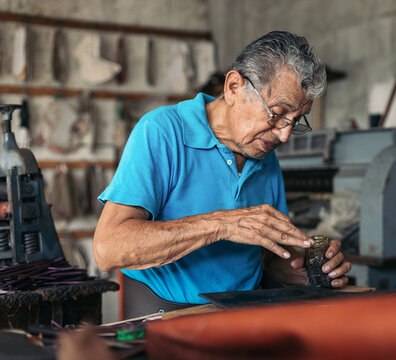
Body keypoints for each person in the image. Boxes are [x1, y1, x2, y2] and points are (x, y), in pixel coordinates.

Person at [93, 31, 351, 314]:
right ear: (233, 87)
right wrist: (221, 225)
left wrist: (304, 268)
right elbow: (108, 249)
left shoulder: (263, 153)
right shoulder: (161, 132)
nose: (285, 135)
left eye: (295, 121)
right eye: (277, 114)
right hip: (164, 314)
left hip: (244, 313)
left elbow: (265, 255)